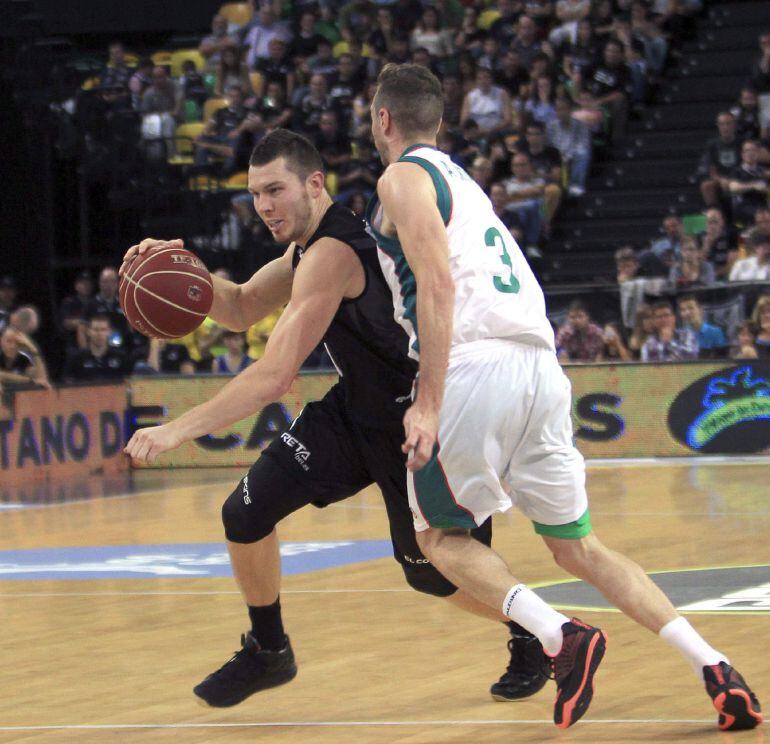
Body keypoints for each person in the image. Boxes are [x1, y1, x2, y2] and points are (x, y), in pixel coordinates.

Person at [365, 62, 762, 731]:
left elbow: (436, 285)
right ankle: (713, 666)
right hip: (539, 367)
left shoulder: (403, 176)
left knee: (435, 536)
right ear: (441, 120)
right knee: (580, 548)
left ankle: (557, 634)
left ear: (383, 120)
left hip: (472, 364)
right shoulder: (466, 186)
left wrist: (427, 401)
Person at [121, 130, 544, 711]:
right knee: (244, 512)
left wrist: (175, 430)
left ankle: (534, 629)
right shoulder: (304, 249)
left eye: (275, 190)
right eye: (254, 194)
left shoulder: (335, 251)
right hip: (355, 411)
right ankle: (269, 649)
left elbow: (273, 377)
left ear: (313, 184)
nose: (263, 206)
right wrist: (183, 272)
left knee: (431, 573)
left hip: (414, 419)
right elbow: (242, 305)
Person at [64, 314, 130, 382]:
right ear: (88, 331)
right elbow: (68, 385)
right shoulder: (76, 358)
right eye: (95, 330)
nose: (99, 334)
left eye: (103, 330)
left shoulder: (121, 357)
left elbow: (130, 382)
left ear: (110, 332)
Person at [676, 294, 727, 359]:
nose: (687, 313)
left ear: (700, 310)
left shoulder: (716, 333)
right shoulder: (678, 336)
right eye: (683, 310)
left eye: (691, 308)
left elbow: (722, 359)